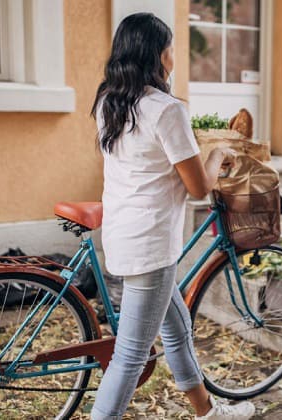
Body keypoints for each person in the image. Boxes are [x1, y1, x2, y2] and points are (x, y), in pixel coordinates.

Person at [89, 12, 256, 420]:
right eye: (171, 47)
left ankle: (207, 413)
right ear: (158, 54)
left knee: (177, 330)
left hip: (122, 233)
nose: (174, 54)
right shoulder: (166, 109)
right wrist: (217, 154)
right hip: (150, 244)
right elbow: (199, 186)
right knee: (129, 356)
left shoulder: (109, 101)